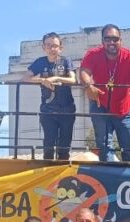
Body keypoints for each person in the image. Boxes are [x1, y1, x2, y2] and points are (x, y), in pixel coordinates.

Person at [79, 24, 130, 162]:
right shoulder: (93, 54)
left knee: (128, 150)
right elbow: (83, 72)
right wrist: (89, 86)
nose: (111, 42)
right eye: (107, 39)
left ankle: (129, 179)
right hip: (100, 106)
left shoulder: (129, 56)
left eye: (115, 39)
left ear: (121, 41)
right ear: (102, 41)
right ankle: (109, 180)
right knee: (104, 149)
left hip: (124, 110)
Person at [24, 32, 77, 160]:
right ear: (43, 47)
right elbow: (26, 78)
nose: (52, 49)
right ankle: (47, 170)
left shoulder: (66, 61)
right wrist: (42, 81)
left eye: (55, 46)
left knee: (64, 146)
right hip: (48, 109)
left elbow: (73, 80)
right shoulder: (40, 62)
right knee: (48, 144)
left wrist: (56, 78)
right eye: (48, 45)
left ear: (60, 47)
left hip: (66, 109)